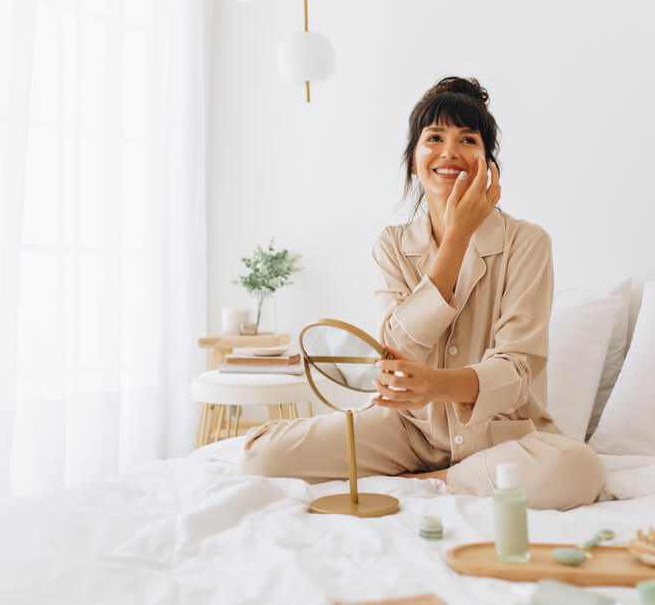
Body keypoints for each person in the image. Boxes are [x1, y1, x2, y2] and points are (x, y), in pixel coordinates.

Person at [239, 76, 605, 510]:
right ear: (414, 161)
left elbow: (517, 371)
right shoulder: (392, 245)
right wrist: (455, 241)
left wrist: (438, 385)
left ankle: (444, 478)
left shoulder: (527, 243)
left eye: (467, 139)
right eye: (434, 137)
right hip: (408, 432)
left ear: (487, 165)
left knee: (577, 468)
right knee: (259, 453)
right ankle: (443, 474)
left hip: (501, 437)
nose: (450, 151)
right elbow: (397, 346)